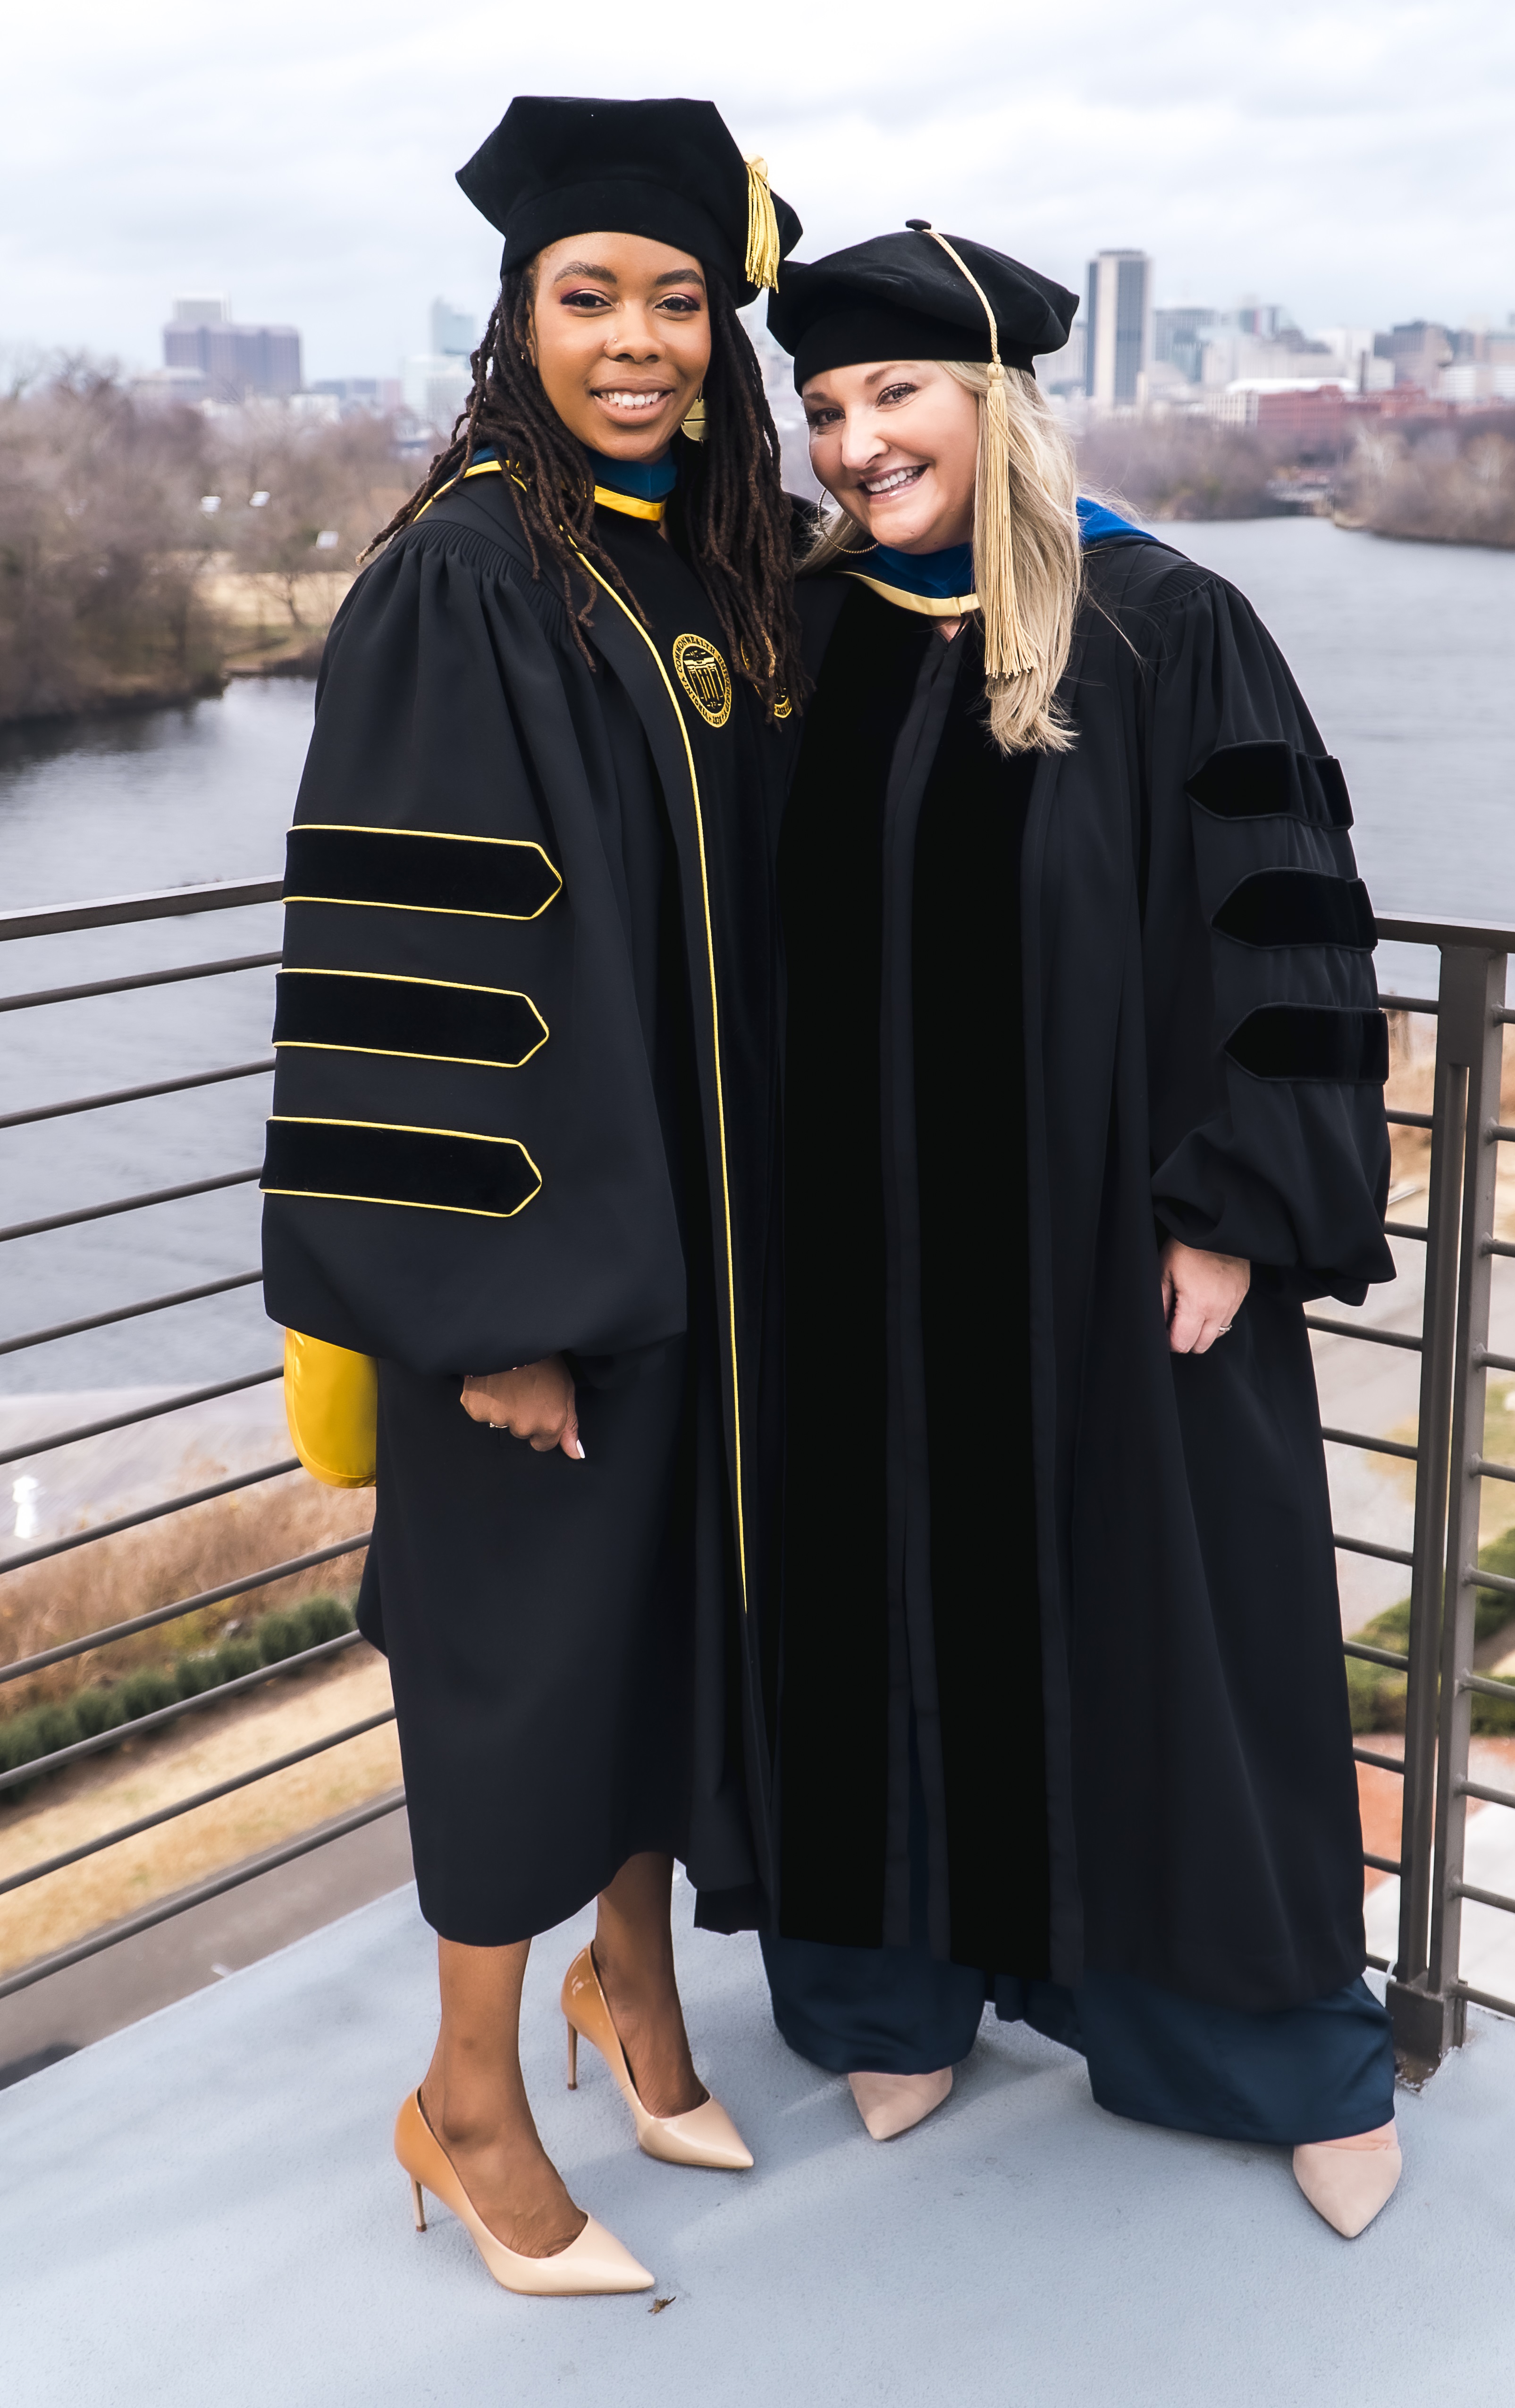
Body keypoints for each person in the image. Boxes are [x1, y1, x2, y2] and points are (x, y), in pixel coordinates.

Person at [758, 225, 1403, 2239]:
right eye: (832, 406)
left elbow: (1286, 932)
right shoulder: (812, 636)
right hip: (853, 1262)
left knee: (1177, 1627)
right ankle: (896, 1983)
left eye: (897, 397)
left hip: (1109, 1251)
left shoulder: (1159, 624)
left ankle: (1262, 2039)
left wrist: (1229, 1213)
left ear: (994, 402)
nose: (859, 441)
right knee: (874, 1610)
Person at [260, 96, 804, 2295]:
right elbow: (412, 967)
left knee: (659, 1638)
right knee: (515, 1675)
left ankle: (633, 1990)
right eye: (590, 298)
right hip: (532, 1272)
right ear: (520, 320)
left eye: (677, 300)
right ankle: (468, 2094)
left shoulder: (705, 556)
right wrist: (492, 1310)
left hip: (704, 1252)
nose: (640, 339)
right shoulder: (469, 573)